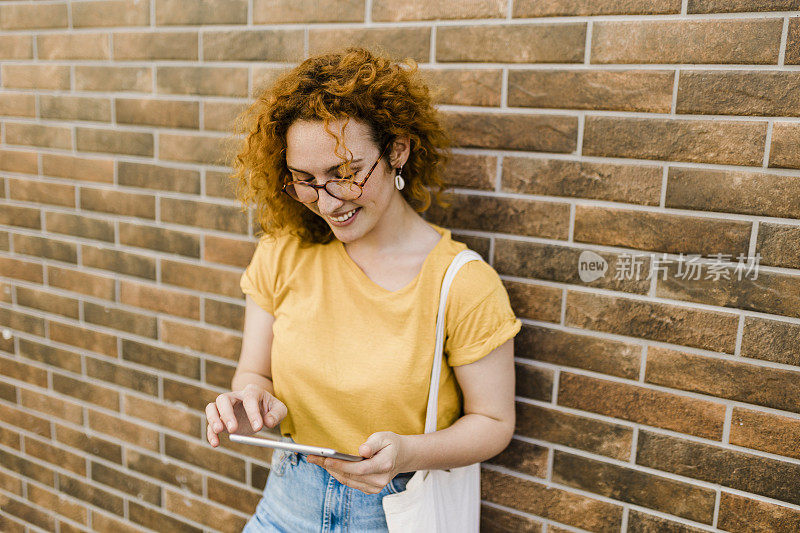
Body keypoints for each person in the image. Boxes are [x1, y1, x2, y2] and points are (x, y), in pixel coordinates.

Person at [204, 46, 522, 532]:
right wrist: (251, 406)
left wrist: (407, 452)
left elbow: (495, 423)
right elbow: (255, 372)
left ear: (397, 150)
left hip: (395, 515)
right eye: (305, 180)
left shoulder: (462, 283)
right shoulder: (282, 252)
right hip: (285, 505)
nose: (327, 202)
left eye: (345, 174)